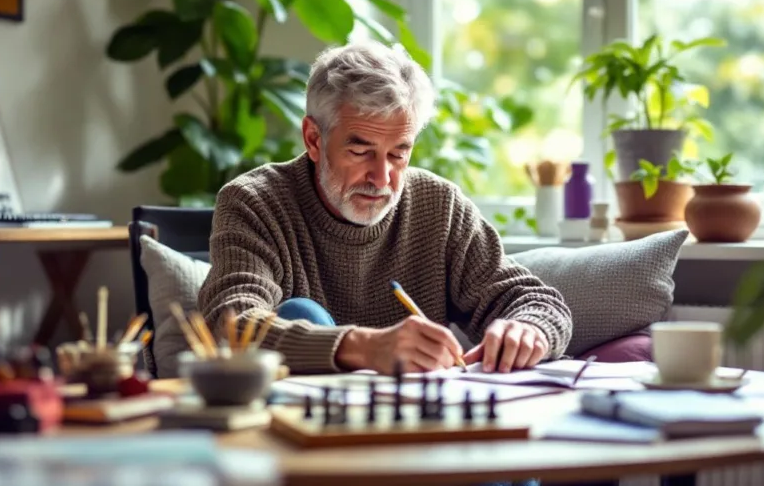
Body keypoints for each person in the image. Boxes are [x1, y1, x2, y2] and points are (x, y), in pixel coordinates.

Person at [197, 40, 573, 376]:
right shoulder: (255, 201)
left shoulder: (439, 206)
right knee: (302, 313)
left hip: (414, 428)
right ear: (314, 139)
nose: (382, 177)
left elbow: (537, 301)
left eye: (399, 153)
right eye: (360, 152)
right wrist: (364, 347)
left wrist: (529, 329)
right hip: (298, 429)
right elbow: (229, 324)